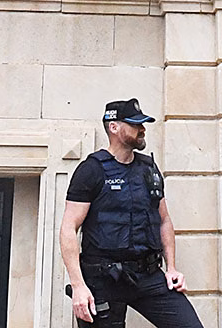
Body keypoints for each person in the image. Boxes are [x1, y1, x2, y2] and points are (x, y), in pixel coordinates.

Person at [60, 99, 204, 327]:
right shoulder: (91, 170)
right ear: (114, 127)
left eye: (143, 124)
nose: (142, 129)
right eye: (136, 124)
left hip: (147, 275)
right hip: (103, 280)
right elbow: (69, 228)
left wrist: (172, 268)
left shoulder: (148, 169)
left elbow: (164, 221)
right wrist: (78, 286)